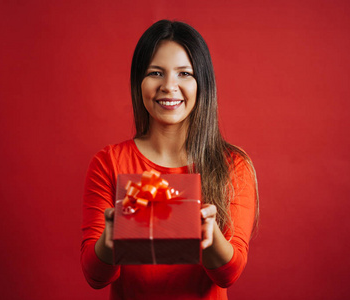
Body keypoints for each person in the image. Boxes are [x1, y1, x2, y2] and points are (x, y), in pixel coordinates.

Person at [81, 19, 259, 300]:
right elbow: (94, 276)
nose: (169, 86)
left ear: (203, 82)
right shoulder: (109, 162)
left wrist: (210, 237)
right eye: (155, 73)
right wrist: (110, 238)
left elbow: (229, 274)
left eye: (184, 74)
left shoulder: (234, 165)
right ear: (138, 81)